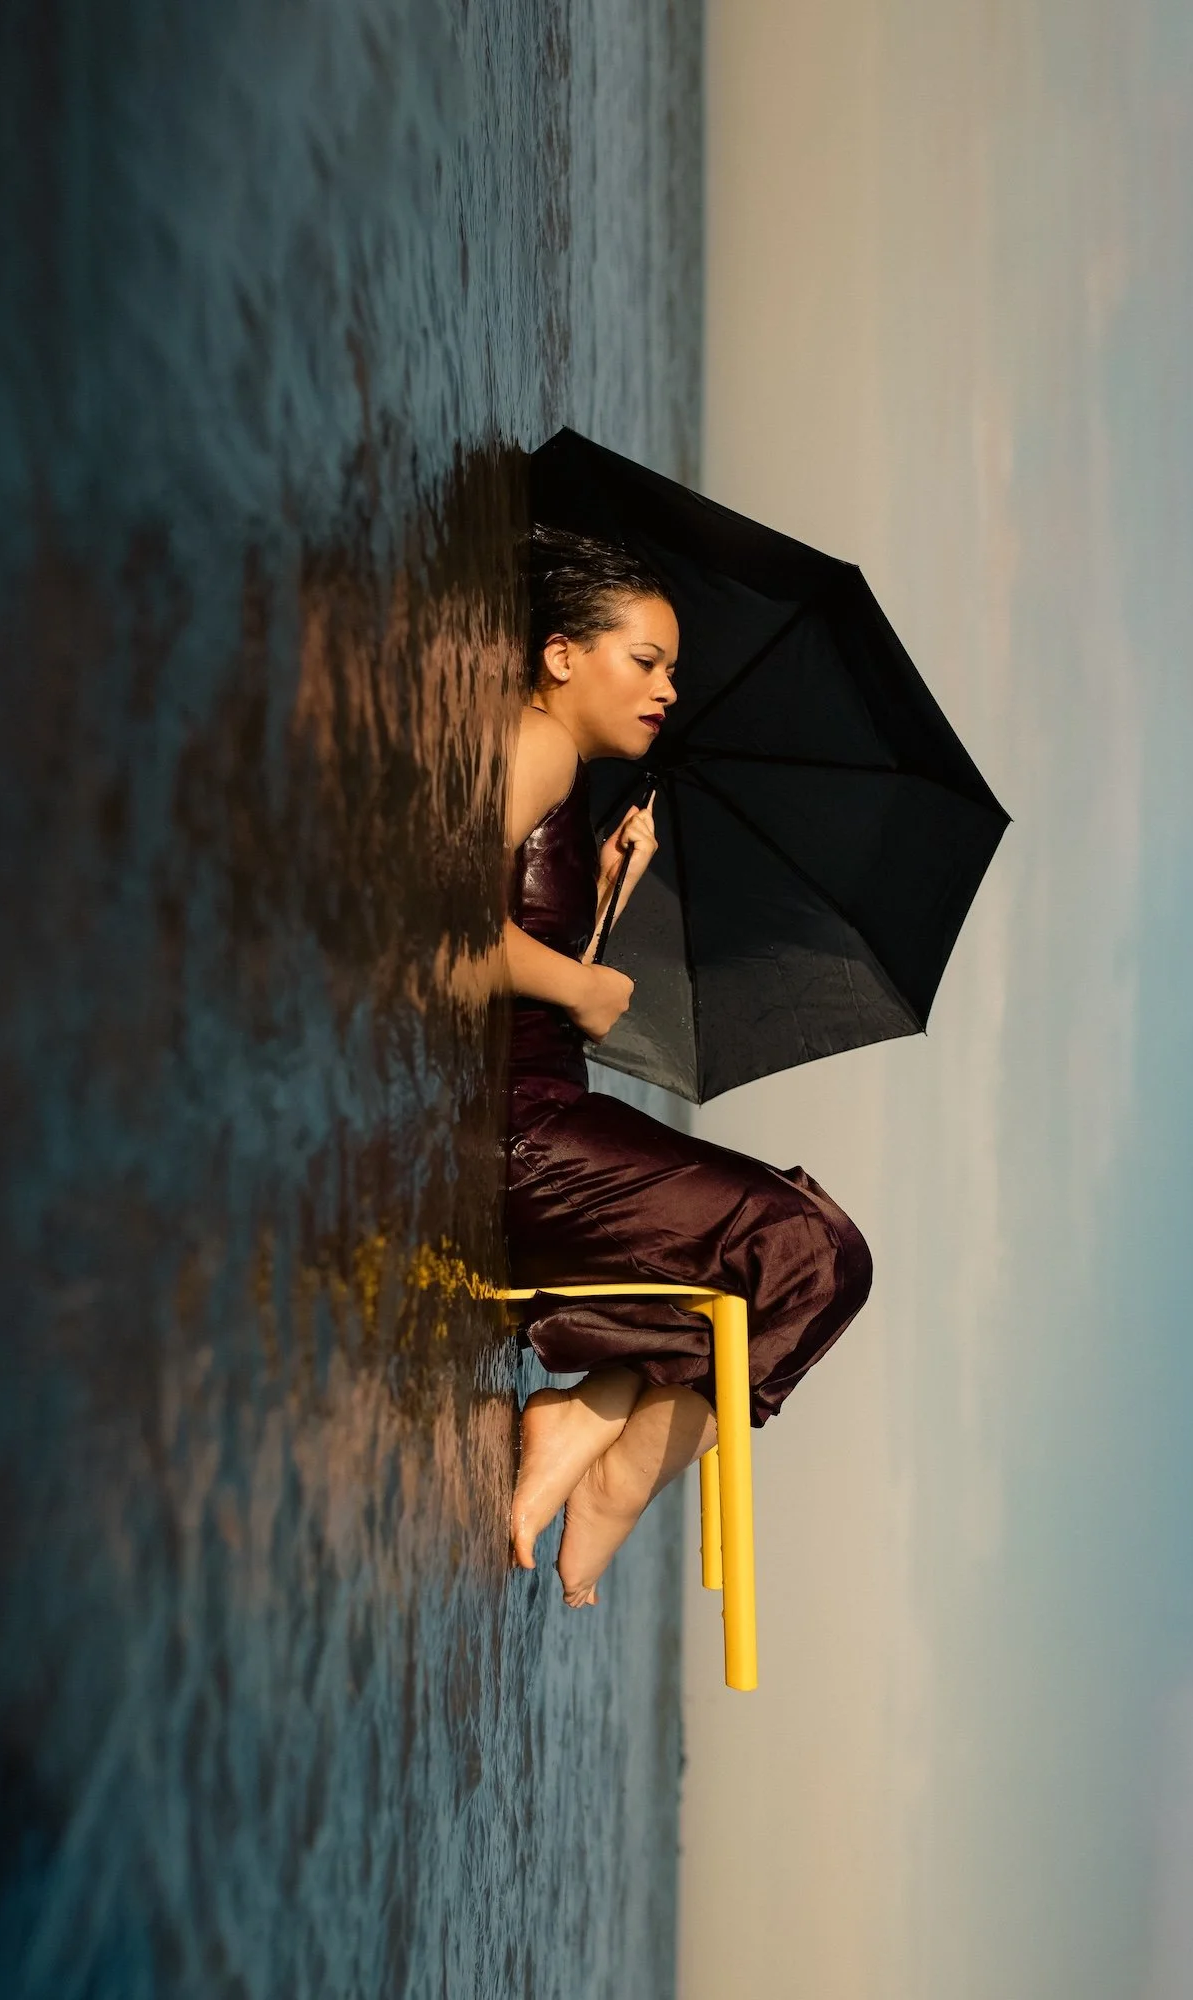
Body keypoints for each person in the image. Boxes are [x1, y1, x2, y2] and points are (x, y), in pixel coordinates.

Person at [505, 526, 872, 1607]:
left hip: (530, 1116)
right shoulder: (536, 749)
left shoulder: (564, 778)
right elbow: (423, 938)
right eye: (647, 659)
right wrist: (581, 986)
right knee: (809, 1255)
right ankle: (608, 1446)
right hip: (516, 1137)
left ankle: (603, 1403)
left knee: (807, 1255)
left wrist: (604, 892)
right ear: (562, 654)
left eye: (672, 666)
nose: (669, 686)